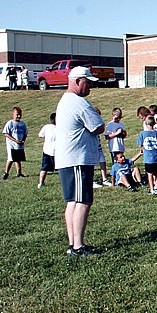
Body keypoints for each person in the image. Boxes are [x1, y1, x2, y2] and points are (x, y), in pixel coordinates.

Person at [55, 66, 105, 257]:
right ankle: (78, 246)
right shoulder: (78, 102)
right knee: (83, 201)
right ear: (77, 81)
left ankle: (73, 243)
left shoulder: (65, 101)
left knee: (73, 202)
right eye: (88, 82)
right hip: (77, 159)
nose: (90, 86)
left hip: (68, 159)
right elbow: (98, 126)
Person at [2, 106, 28, 179]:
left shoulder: (22, 124)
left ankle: (19, 173)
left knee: (18, 159)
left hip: (19, 145)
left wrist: (23, 140)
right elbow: (5, 133)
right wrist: (15, 140)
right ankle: (6, 173)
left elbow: (25, 133)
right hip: (12, 145)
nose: (18, 116)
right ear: (13, 114)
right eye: (17, 114)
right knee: (11, 158)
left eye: (20, 114)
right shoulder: (10, 123)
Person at [137, 115, 157, 195]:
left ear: (146, 124)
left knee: (149, 174)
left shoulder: (143, 134)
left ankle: (151, 189)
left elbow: (140, 144)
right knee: (156, 173)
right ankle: (156, 187)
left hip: (148, 158)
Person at [37, 112, 56, 188]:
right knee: (61, 168)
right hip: (56, 152)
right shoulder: (61, 128)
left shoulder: (46, 127)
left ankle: (41, 183)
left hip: (47, 150)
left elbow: (40, 135)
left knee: (44, 167)